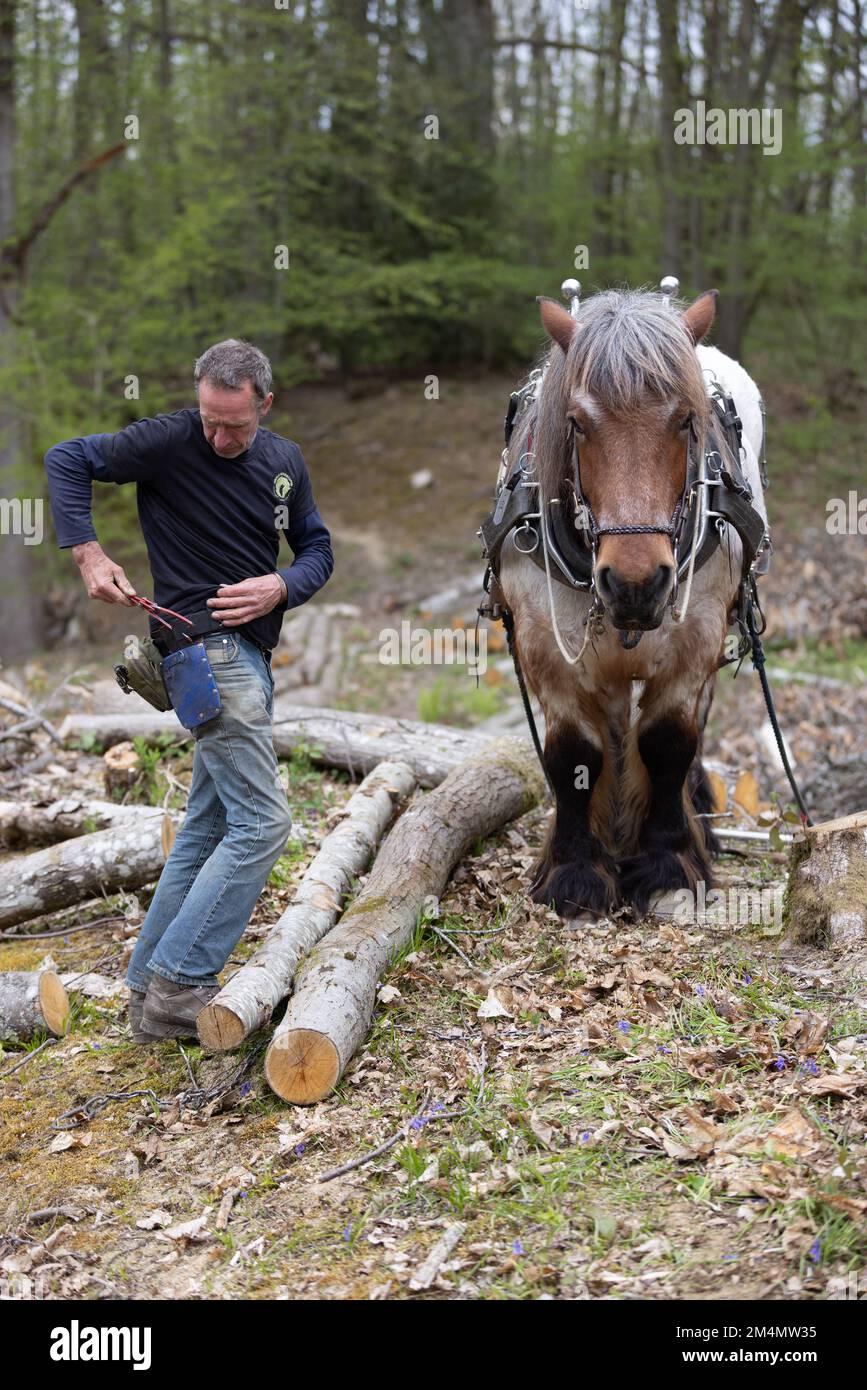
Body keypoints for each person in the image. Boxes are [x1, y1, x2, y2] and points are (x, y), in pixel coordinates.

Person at [44, 339, 334, 1043]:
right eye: (209, 417)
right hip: (207, 659)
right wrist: (88, 551)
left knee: (208, 826)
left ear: (264, 403)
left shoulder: (284, 462)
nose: (218, 435)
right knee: (263, 825)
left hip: (252, 661)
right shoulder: (169, 440)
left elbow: (318, 550)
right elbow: (67, 458)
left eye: (233, 423)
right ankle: (181, 985)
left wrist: (281, 585)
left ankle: (149, 985)